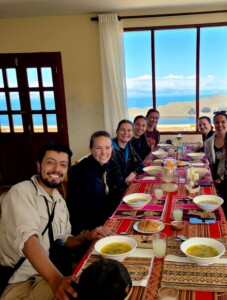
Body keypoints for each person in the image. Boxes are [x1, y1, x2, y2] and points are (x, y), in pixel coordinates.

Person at [0, 142, 112, 300]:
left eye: (63, 165)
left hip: (47, 274)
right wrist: (56, 280)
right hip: (20, 282)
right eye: (50, 162)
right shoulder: (21, 192)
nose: (56, 169)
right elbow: (27, 238)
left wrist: (86, 236)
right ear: (39, 165)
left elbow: (64, 239)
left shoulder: (58, 200)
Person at [66, 131, 118, 239]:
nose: (104, 152)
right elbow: (80, 211)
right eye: (99, 148)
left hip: (105, 218)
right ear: (91, 149)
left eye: (107, 147)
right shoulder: (80, 173)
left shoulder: (108, 164)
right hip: (87, 230)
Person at [111, 120, 145, 192]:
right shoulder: (110, 149)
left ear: (132, 133)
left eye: (129, 130)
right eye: (123, 130)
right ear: (117, 131)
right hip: (115, 190)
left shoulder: (129, 146)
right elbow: (118, 179)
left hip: (126, 184)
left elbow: (141, 164)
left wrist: (134, 173)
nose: (126, 133)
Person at [204, 111, 227, 182]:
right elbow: (208, 160)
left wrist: (220, 179)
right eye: (217, 122)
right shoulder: (209, 142)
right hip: (211, 176)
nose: (220, 125)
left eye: (223, 122)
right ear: (214, 124)